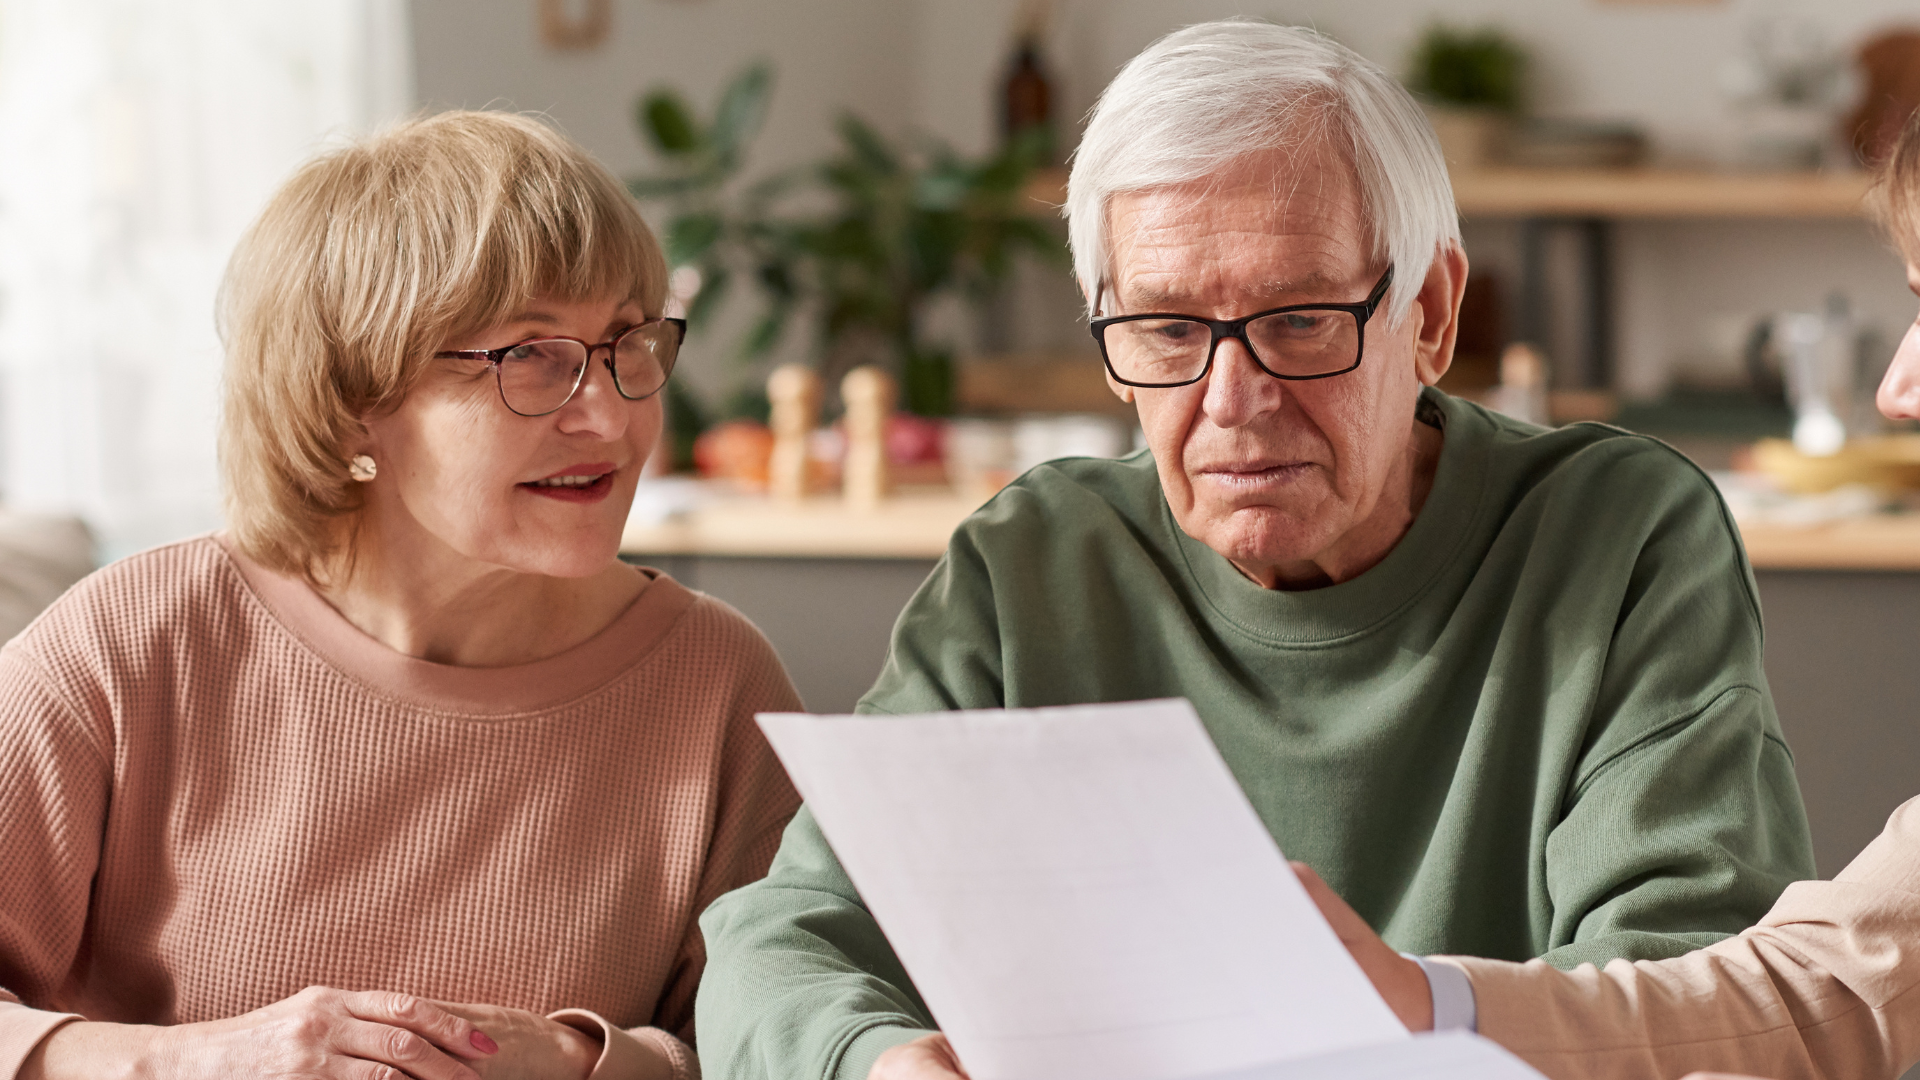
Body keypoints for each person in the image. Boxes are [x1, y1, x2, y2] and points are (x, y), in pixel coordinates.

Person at [694, 20, 1815, 1080]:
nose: (1233, 400)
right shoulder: (1033, 561)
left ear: (1429, 312)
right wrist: (879, 1062)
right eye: (1169, 329)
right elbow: (782, 945)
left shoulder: (1616, 535)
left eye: (1300, 319)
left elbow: (1687, 995)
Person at [0, 111, 802, 1080]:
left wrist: (582, 1060)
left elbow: (782, 1039)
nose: (609, 412)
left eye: (625, 343)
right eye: (531, 356)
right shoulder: (129, 646)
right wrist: (198, 1062)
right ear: (348, 404)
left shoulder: (717, 679)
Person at [1302, 107, 1920, 1080]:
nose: (1897, 389)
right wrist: (1423, 1004)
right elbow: (1826, 995)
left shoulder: (1627, 528)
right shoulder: (1019, 560)